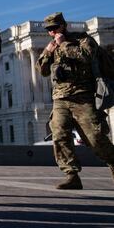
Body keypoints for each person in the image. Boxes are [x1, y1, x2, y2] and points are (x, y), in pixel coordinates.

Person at [36, 12, 114, 189]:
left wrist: (63, 44)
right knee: (60, 135)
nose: (52, 32)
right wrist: (48, 52)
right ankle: (71, 175)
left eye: (55, 27)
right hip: (60, 99)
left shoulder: (82, 39)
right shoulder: (52, 46)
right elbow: (42, 70)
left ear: (63, 25)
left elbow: (86, 56)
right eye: (49, 29)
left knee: (95, 138)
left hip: (83, 96)